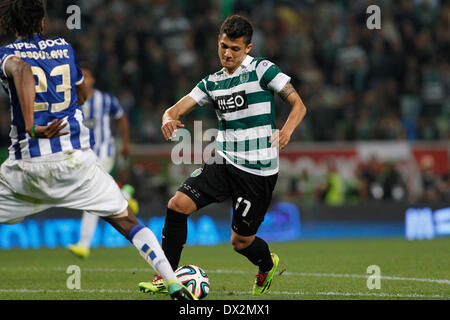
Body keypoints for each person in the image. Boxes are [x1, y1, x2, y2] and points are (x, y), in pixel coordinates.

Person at [0, 0, 195, 300]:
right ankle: (172, 282)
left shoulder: (6, 54)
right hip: (75, 163)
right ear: (42, 23)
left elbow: (22, 69)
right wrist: (74, 99)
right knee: (128, 221)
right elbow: (83, 91)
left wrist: (31, 125)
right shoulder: (64, 48)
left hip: (26, 169)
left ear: (11, 26)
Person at [139, 15, 307, 296]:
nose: (228, 53)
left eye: (235, 49)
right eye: (224, 46)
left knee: (240, 242)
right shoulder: (211, 82)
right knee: (177, 205)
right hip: (224, 161)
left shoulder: (263, 70)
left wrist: (287, 130)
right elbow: (175, 109)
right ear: (218, 42)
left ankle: (267, 264)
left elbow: (298, 104)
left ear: (248, 48)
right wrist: (168, 118)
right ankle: (165, 276)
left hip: (257, 172)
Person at [68, 66, 139, 258]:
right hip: (83, 155)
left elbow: (122, 118)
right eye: (80, 75)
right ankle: (125, 195)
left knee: (92, 195)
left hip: (104, 152)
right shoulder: (71, 100)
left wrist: (125, 144)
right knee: (91, 192)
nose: (84, 78)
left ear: (92, 80)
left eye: (87, 75)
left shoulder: (106, 100)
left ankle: (83, 244)